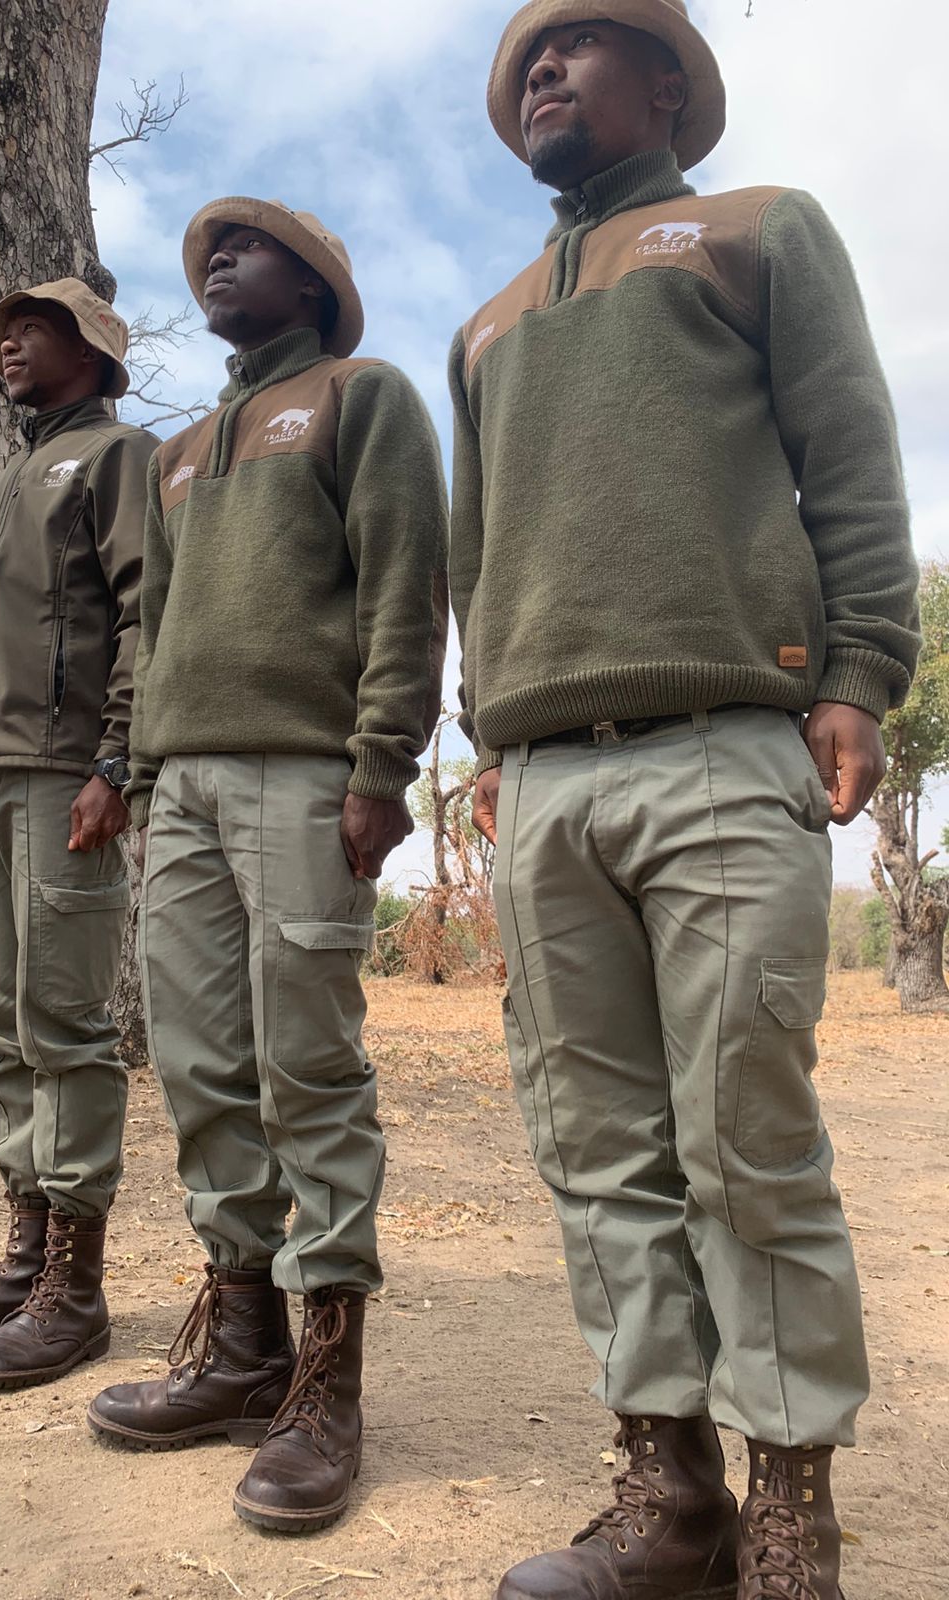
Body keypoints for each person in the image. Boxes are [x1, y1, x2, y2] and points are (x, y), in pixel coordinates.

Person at [449, 5, 921, 1597]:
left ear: (669, 87)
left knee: (746, 1140)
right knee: (595, 1147)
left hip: (728, 738)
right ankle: (669, 1493)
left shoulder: (753, 231)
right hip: (545, 773)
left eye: (583, 47)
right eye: (528, 58)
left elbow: (849, 454)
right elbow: (474, 557)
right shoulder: (489, 327)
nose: (544, 71)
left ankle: (793, 1498)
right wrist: (487, 741)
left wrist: (858, 667)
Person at [86, 199, 449, 1534]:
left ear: (316, 282)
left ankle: (327, 1384)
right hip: (178, 791)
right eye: (205, 255)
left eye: (246, 247)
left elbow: (411, 584)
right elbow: (156, 630)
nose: (215, 264)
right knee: (196, 1062)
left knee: (308, 1061)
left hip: (305, 777)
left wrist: (378, 769)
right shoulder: (181, 453)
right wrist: (132, 771)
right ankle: (241, 1347)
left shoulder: (365, 397)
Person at [0, 279, 159, 1392]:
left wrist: (115, 761)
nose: (9, 344)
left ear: (94, 349)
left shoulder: (115, 456)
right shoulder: (13, 470)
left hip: (67, 781)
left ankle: (76, 1284)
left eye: (34, 329)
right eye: (3, 331)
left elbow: (148, 611)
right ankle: (21, 1255)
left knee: (64, 1019)